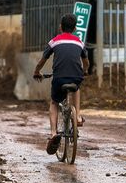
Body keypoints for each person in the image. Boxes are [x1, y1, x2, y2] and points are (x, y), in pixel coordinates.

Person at [33, 13, 89, 155]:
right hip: (76, 77)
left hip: (59, 79)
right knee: (76, 88)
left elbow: (43, 60)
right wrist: (85, 70)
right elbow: (86, 61)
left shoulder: (54, 41)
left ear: (60, 27)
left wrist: (37, 71)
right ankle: (77, 116)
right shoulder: (79, 42)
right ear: (75, 28)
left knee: (54, 102)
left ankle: (53, 133)